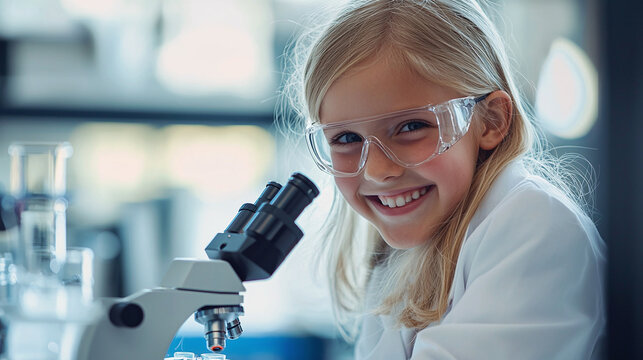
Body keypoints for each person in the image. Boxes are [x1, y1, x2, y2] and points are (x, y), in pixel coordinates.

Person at [280, 0, 606, 359]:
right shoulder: (403, 253)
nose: (375, 170)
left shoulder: (537, 226)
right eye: (345, 139)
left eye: (411, 127)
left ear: (491, 121)